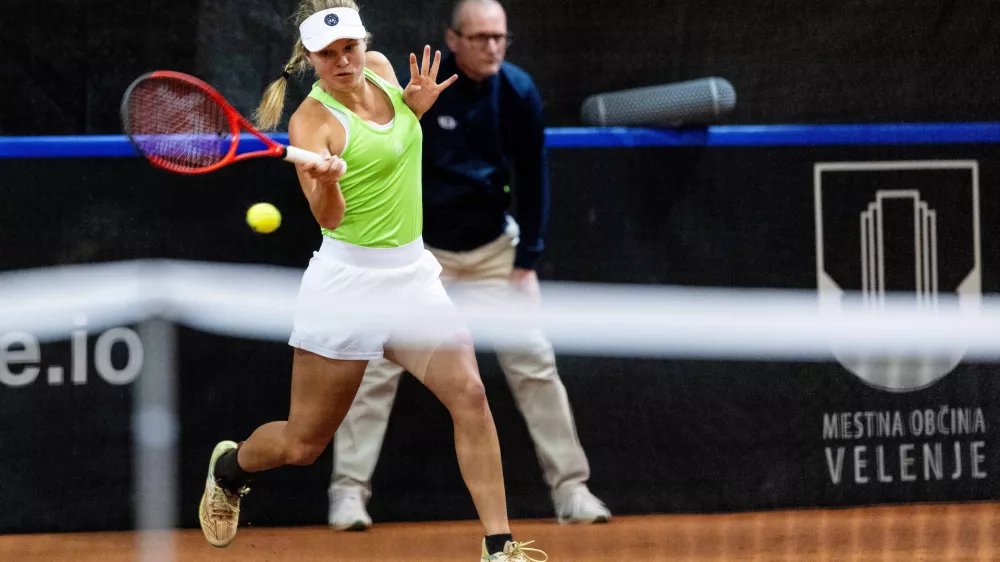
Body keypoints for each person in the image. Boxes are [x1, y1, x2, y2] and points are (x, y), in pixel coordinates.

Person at [197, 2, 547, 560]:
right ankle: (230, 469)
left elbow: (394, 148)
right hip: (347, 288)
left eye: (350, 47)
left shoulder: (382, 70)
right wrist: (327, 181)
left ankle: (498, 547)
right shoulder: (312, 123)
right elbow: (331, 219)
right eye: (328, 54)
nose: (343, 61)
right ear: (310, 59)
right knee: (303, 444)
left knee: (471, 395)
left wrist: (415, 109)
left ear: (364, 43)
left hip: (412, 277)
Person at [327, 0, 610, 531]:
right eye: (480, 38)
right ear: (453, 40)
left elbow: (534, 175)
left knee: (535, 362)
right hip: (418, 258)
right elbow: (384, 163)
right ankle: (348, 493)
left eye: (500, 37)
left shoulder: (519, 91)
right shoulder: (419, 94)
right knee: (376, 367)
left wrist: (526, 264)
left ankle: (572, 490)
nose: (492, 47)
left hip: (493, 253)